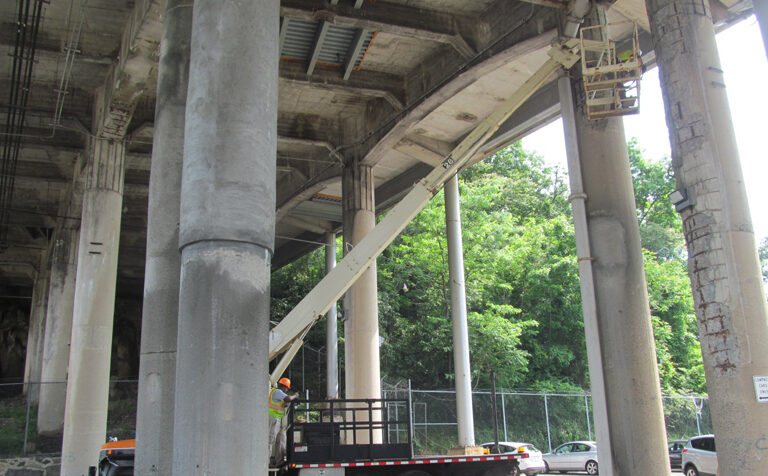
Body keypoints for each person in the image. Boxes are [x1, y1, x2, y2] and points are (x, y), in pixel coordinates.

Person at [268, 377, 298, 467]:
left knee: (280, 441)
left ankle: (279, 462)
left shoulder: (277, 394)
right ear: (284, 387)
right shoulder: (277, 392)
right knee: (270, 441)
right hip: (273, 419)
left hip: (278, 421)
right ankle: (266, 462)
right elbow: (288, 398)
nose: (286, 390)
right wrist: (295, 396)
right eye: (286, 388)